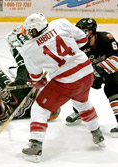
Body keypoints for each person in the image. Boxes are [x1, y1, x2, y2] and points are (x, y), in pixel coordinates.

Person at [20, 13, 104, 162]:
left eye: (29, 30)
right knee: (82, 102)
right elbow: (83, 39)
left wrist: (41, 80)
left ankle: (35, 145)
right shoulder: (60, 23)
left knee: (39, 108)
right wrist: (68, 55)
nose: (27, 34)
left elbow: (36, 78)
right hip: (86, 72)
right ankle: (97, 133)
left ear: (35, 30)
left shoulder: (29, 48)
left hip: (68, 80)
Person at [65, 18, 118, 138]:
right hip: (91, 71)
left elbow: (117, 57)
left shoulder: (106, 38)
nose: (80, 34)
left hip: (111, 70)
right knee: (76, 85)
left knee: (112, 90)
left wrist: (99, 70)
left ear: (92, 31)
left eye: (84, 31)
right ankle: (78, 111)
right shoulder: (77, 46)